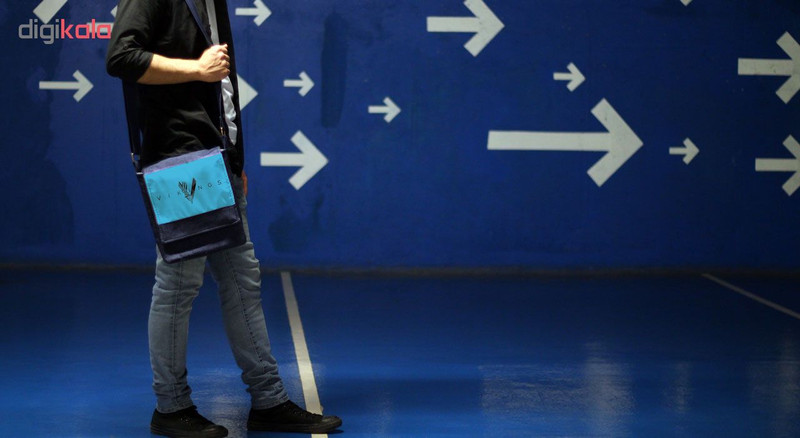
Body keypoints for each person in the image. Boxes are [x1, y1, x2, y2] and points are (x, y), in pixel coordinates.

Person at [106, 1, 342, 437]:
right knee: (178, 285)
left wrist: (235, 158)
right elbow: (121, 57)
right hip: (184, 160)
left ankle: (268, 400)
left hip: (217, 161)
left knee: (241, 282)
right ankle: (171, 407)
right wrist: (197, 68)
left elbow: (223, 91)